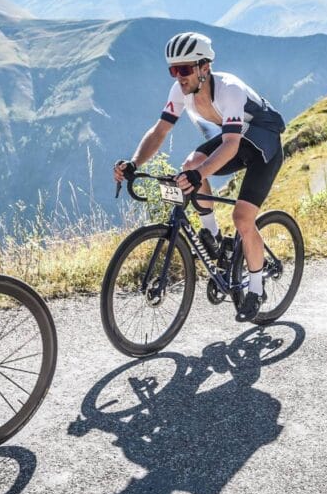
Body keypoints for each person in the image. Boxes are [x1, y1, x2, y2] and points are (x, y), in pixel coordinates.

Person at [112, 32, 286, 324]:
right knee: (191, 162)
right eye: (173, 70)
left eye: (185, 69)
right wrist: (133, 162)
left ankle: (256, 289)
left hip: (264, 145)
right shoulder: (180, 91)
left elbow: (229, 144)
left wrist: (197, 175)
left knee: (243, 218)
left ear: (205, 67)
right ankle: (213, 236)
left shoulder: (230, 89)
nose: (178, 77)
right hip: (237, 140)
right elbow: (159, 132)